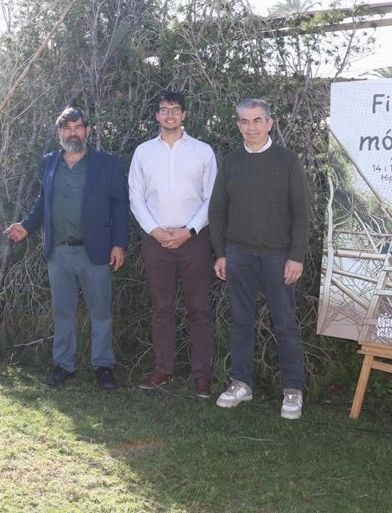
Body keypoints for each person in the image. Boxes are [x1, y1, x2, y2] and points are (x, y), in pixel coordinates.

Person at [5, 106, 128, 391]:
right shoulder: (49, 162)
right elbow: (43, 200)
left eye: (78, 127)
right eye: (67, 128)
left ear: (88, 130)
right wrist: (26, 226)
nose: (73, 133)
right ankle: (63, 366)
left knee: (101, 312)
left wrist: (119, 244)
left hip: (95, 251)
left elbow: (120, 204)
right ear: (59, 132)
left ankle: (104, 367)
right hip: (59, 252)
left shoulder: (107, 164)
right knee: (62, 312)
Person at [209, 98, 310, 420]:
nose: (250, 127)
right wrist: (221, 253)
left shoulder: (287, 160)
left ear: (269, 123)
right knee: (240, 321)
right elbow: (217, 210)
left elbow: (301, 212)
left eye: (257, 120)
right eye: (244, 121)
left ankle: (293, 389)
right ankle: (241, 383)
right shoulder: (231, 162)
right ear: (238, 125)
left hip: (278, 256)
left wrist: (296, 256)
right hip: (238, 254)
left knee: (285, 324)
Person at [128, 91, 218, 398]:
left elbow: (212, 198)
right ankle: (163, 369)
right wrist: (155, 230)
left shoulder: (202, 151)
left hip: (194, 240)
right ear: (156, 115)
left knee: (199, 309)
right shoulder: (143, 152)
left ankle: (202, 375)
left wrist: (189, 230)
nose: (169, 115)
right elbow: (136, 196)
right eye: (164, 110)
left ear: (184, 115)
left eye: (175, 110)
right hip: (155, 241)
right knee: (162, 308)